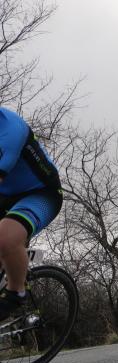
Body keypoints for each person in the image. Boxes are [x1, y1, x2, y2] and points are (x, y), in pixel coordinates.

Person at [0, 107, 63, 321]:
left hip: (40, 194)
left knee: (5, 238)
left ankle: (16, 292)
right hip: (5, 195)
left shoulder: (10, 130)